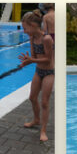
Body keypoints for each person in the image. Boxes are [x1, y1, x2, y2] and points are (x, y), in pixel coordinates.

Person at [18, 11, 53, 142]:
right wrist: (26, 62)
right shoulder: (32, 38)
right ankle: (36, 120)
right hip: (39, 71)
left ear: (33, 25)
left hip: (49, 73)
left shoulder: (47, 39)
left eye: (25, 28)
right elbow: (34, 57)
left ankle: (43, 130)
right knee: (32, 98)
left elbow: (48, 59)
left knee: (44, 102)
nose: (24, 31)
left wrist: (31, 60)